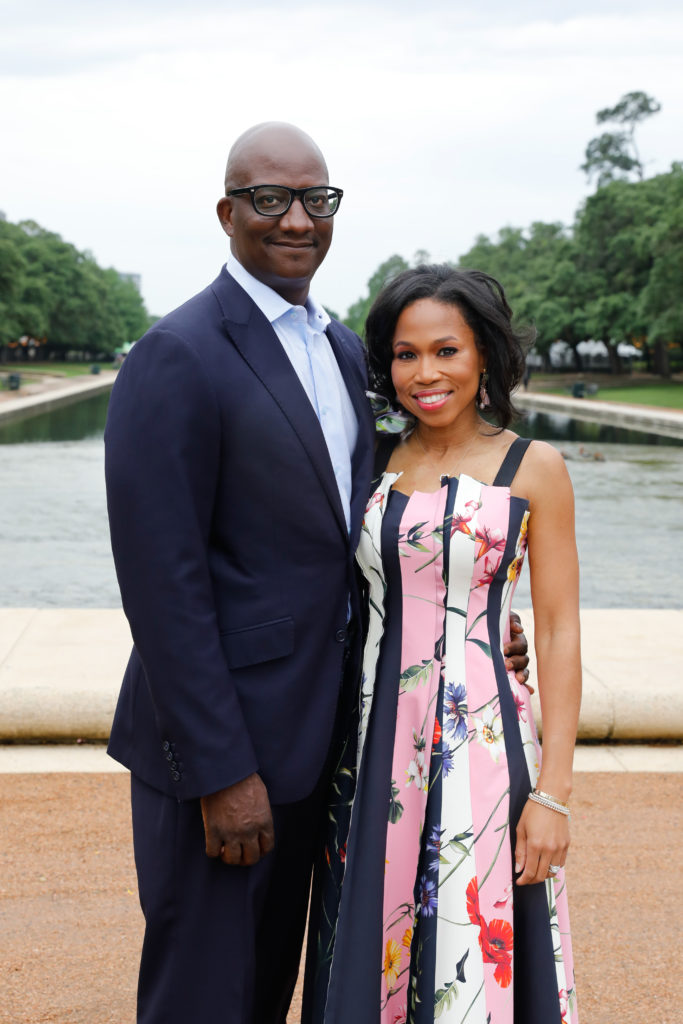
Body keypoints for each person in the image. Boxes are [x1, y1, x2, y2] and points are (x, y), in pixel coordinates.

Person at [105, 124, 530, 1024]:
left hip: (325, 742)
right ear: (227, 212)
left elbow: (359, 520)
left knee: (267, 988)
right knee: (201, 996)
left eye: (316, 200)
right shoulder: (176, 355)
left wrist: (470, 607)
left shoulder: (338, 348)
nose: (296, 219)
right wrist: (222, 773)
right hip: (226, 756)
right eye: (270, 199)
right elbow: (161, 583)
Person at [305, 266, 580, 1024]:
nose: (424, 374)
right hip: (366, 752)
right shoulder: (370, 463)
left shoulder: (536, 468)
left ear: (482, 356)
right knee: (368, 946)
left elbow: (556, 631)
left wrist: (552, 793)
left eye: (445, 350)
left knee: (473, 948)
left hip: (484, 751)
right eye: (403, 354)